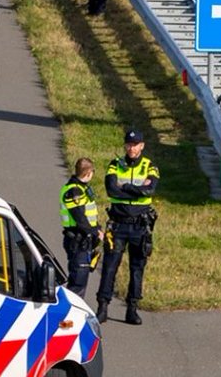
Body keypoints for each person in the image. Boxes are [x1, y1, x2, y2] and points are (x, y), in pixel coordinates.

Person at [96, 129, 160, 325]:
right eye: (129, 145)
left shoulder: (150, 167)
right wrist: (136, 192)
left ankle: (132, 309)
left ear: (142, 146)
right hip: (118, 225)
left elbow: (149, 189)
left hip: (140, 227)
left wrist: (126, 189)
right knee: (109, 267)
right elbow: (111, 189)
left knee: (137, 268)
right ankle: (103, 307)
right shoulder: (115, 165)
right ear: (125, 145)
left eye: (135, 145)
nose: (131, 148)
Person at [60, 158, 103, 298]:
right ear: (89, 172)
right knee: (77, 281)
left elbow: (89, 215)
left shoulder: (81, 188)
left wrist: (97, 228)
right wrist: (95, 232)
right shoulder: (74, 191)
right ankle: (71, 314)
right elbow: (80, 218)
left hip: (83, 240)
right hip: (77, 240)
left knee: (81, 279)